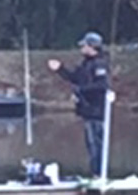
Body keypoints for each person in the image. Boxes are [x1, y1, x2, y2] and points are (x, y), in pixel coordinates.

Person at [48, 32, 112, 177]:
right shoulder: (85, 64)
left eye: (84, 45)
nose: (81, 48)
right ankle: (94, 173)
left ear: (92, 46)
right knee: (91, 145)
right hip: (88, 111)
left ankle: (99, 174)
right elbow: (74, 78)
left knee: (98, 145)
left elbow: (102, 85)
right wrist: (60, 69)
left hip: (98, 111)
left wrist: (81, 90)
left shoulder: (100, 64)